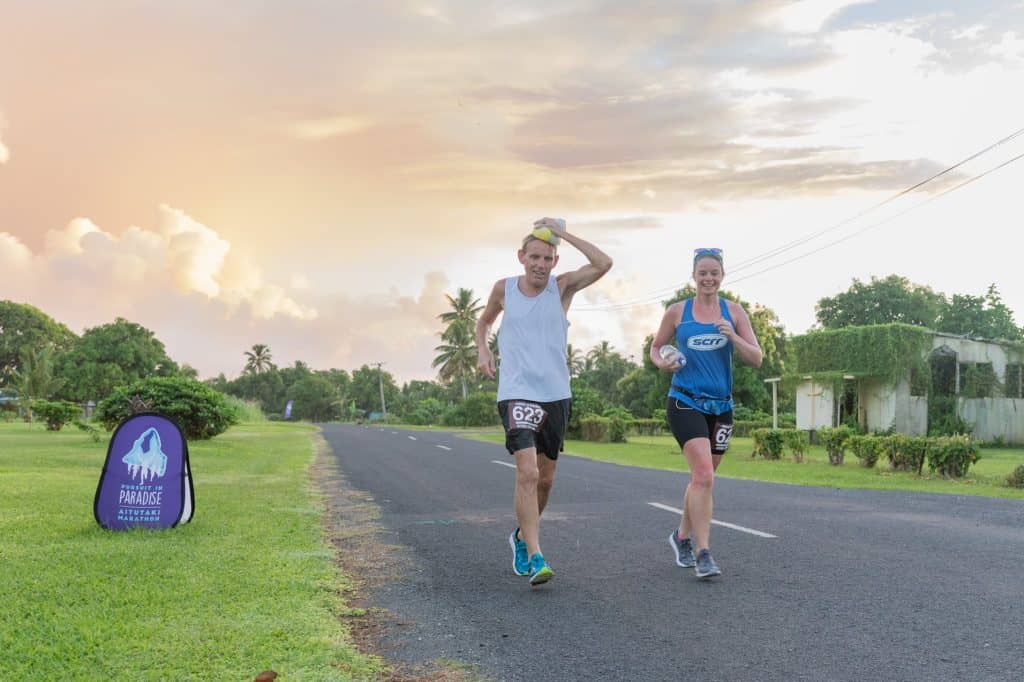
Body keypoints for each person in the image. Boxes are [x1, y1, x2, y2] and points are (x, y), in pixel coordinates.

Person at [476, 217, 612, 586]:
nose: (540, 264)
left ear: (554, 261)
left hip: (555, 394)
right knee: (528, 471)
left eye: (547, 258)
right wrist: (482, 349)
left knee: (546, 480)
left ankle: (521, 534)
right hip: (517, 391)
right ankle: (535, 555)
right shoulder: (503, 289)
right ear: (521, 256)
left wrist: (561, 233)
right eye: (534, 256)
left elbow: (603, 264)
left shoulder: (563, 288)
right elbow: (483, 322)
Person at [649, 247, 762, 578]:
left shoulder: (734, 312)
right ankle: (703, 553)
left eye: (714, 273)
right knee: (704, 477)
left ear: (722, 276)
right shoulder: (677, 312)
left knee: (703, 479)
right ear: (694, 276)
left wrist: (732, 336)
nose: (708, 278)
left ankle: (680, 536)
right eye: (702, 273)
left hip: (721, 407)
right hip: (685, 400)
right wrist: (662, 362)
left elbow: (756, 358)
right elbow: (656, 347)